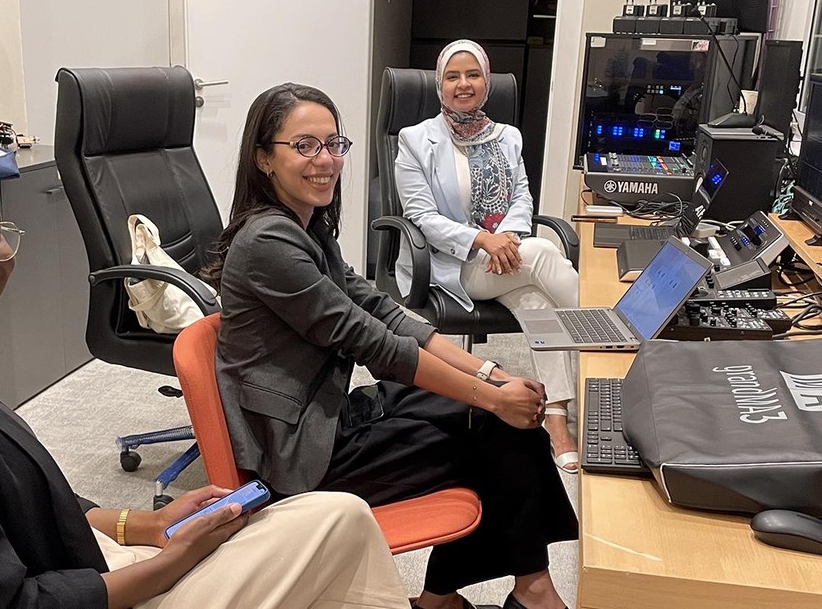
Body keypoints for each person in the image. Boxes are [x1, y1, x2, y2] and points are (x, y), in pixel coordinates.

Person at [0, 133, 411, 609]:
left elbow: (13, 497)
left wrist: (144, 523)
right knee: (339, 524)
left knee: (327, 516)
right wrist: (171, 564)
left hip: (78, 565)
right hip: (75, 595)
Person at [203, 84, 577, 609]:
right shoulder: (268, 242)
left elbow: (385, 312)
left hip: (329, 415)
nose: (326, 160)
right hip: (301, 452)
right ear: (264, 158)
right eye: (305, 146)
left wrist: (491, 376)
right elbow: (375, 345)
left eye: (334, 144)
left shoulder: (308, 228)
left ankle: (468, 598)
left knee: (492, 415)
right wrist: (493, 398)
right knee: (493, 428)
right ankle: (521, 594)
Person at [394, 39, 580, 474]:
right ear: (440, 85)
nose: (464, 84)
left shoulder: (507, 137)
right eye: (453, 76)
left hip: (506, 260)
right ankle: (614, 335)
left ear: (487, 81)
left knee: (538, 302)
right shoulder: (415, 140)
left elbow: (521, 198)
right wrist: (483, 240)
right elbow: (421, 216)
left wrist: (507, 239)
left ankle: (556, 418)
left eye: (473, 74)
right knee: (543, 252)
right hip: (453, 264)